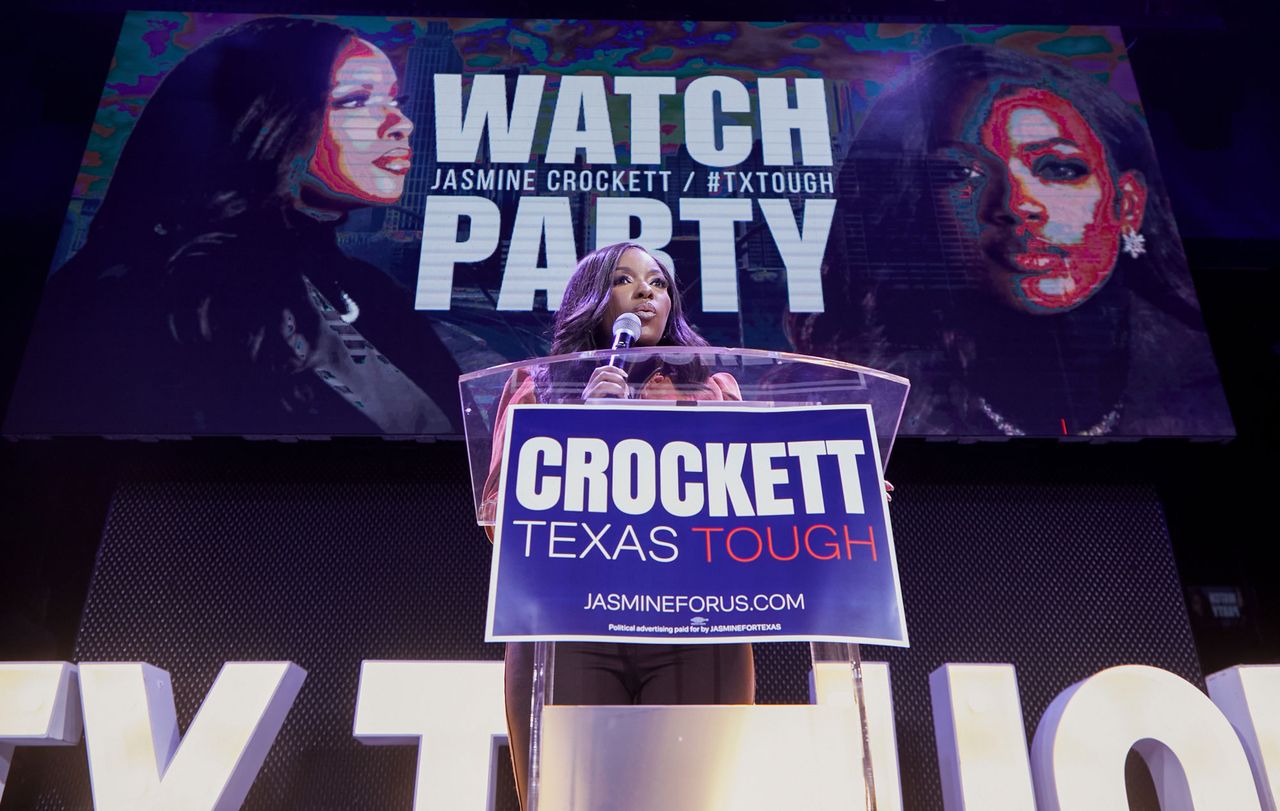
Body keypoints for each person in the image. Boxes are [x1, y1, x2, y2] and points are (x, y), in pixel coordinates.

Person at [7, 17, 459, 436]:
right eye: (356, 101)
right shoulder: (129, 295)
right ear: (270, 120)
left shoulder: (366, 287)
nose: (401, 124)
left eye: (395, 101)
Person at [791, 44, 1231, 436]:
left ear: (1128, 203)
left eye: (1059, 169)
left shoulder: (1199, 383)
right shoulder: (863, 393)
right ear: (915, 205)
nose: (1018, 204)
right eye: (961, 173)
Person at [483, 242, 755, 810]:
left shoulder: (711, 390)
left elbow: (755, 486)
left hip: (695, 624)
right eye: (625, 280)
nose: (646, 292)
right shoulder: (541, 386)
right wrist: (581, 421)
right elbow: (500, 517)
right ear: (592, 300)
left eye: (658, 283)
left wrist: (835, 488)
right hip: (569, 628)